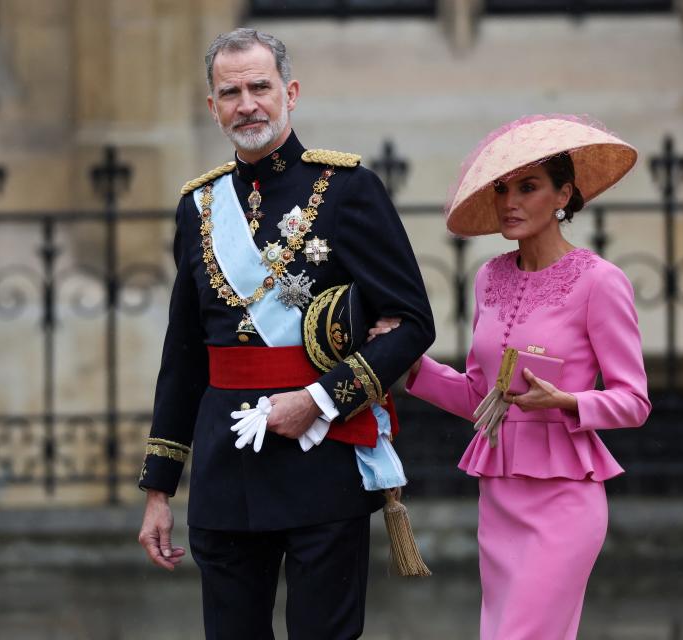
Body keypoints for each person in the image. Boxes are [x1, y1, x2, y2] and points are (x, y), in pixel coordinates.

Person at [136, 28, 435, 639]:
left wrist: (320, 401)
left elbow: (413, 324)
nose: (247, 103)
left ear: (290, 93)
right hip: (226, 466)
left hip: (319, 458)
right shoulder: (198, 207)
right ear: (212, 105)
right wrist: (159, 487)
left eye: (259, 87)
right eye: (231, 92)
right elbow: (184, 355)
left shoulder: (349, 190)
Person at [395, 114, 651, 639]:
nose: (510, 201)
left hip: (564, 501)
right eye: (503, 188)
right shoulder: (489, 277)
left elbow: (634, 400)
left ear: (564, 194)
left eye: (528, 187)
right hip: (500, 499)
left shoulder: (601, 282)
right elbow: (478, 396)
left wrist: (568, 402)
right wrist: (412, 367)